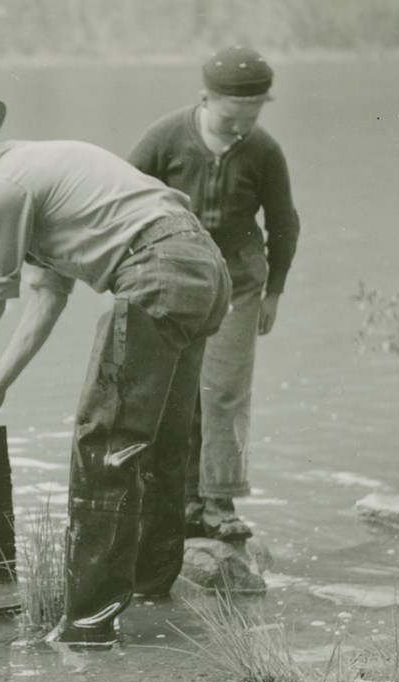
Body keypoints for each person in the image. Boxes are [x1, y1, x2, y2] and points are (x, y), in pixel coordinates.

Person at [0, 97, 230, 645]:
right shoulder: (37, 165)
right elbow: (47, 296)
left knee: (103, 443)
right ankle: (151, 588)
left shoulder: (4, 187)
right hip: (202, 266)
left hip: (155, 270)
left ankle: (86, 626)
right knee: (158, 441)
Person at [129, 45, 300, 542]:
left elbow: (284, 222)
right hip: (175, 282)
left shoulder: (264, 151)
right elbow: (125, 196)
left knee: (223, 390)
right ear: (206, 97)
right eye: (232, 115)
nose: (241, 126)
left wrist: (275, 292)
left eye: (252, 115)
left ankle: (219, 501)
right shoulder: (165, 138)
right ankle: (181, 500)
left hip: (241, 286)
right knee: (177, 394)